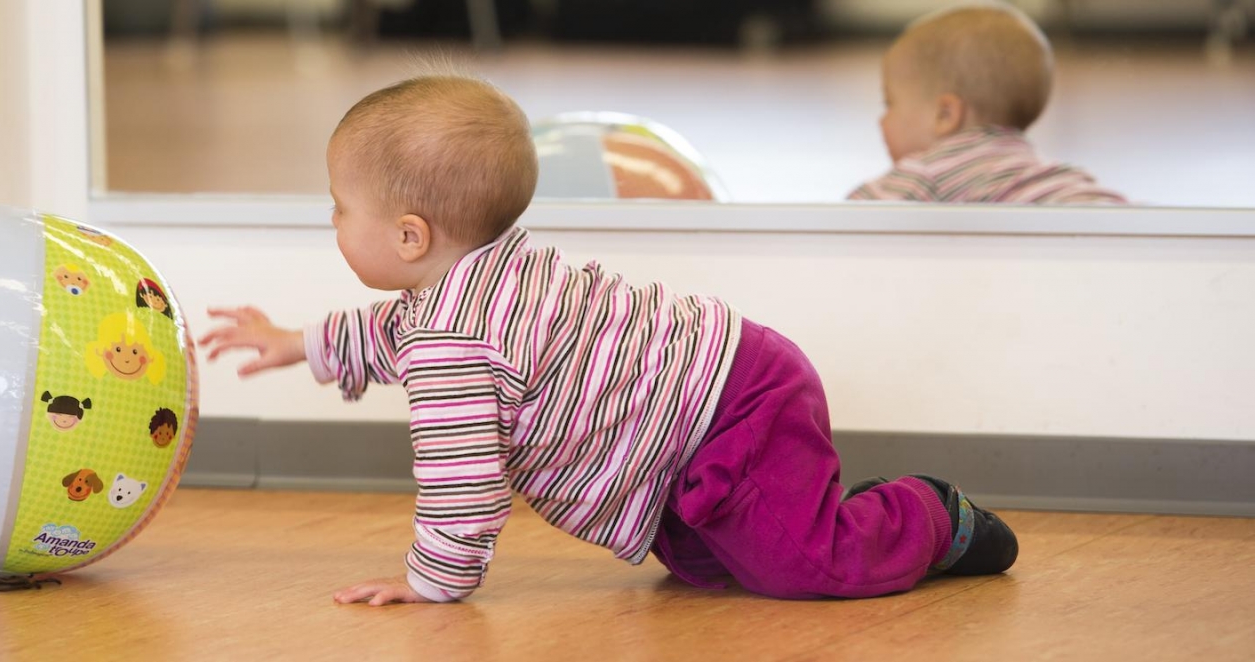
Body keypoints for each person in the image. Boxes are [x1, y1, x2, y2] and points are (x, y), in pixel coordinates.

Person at [201, 74, 1018, 605]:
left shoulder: (454, 341)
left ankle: (931, 515)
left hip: (734, 404)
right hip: (704, 416)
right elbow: (390, 333)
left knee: (804, 568)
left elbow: (467, 486)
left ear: (411, 237)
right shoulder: (474, 281)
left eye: (340, 207)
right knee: (704, 568)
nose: (333, 221)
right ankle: (820, 505)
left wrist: (430, 581)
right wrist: (299, 343)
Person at [849, 3, 1125, 204]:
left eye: (889, 103)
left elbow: (847, 229)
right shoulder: (1059, 177)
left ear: (945, 115)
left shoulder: (924, 176)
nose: (881, 120)